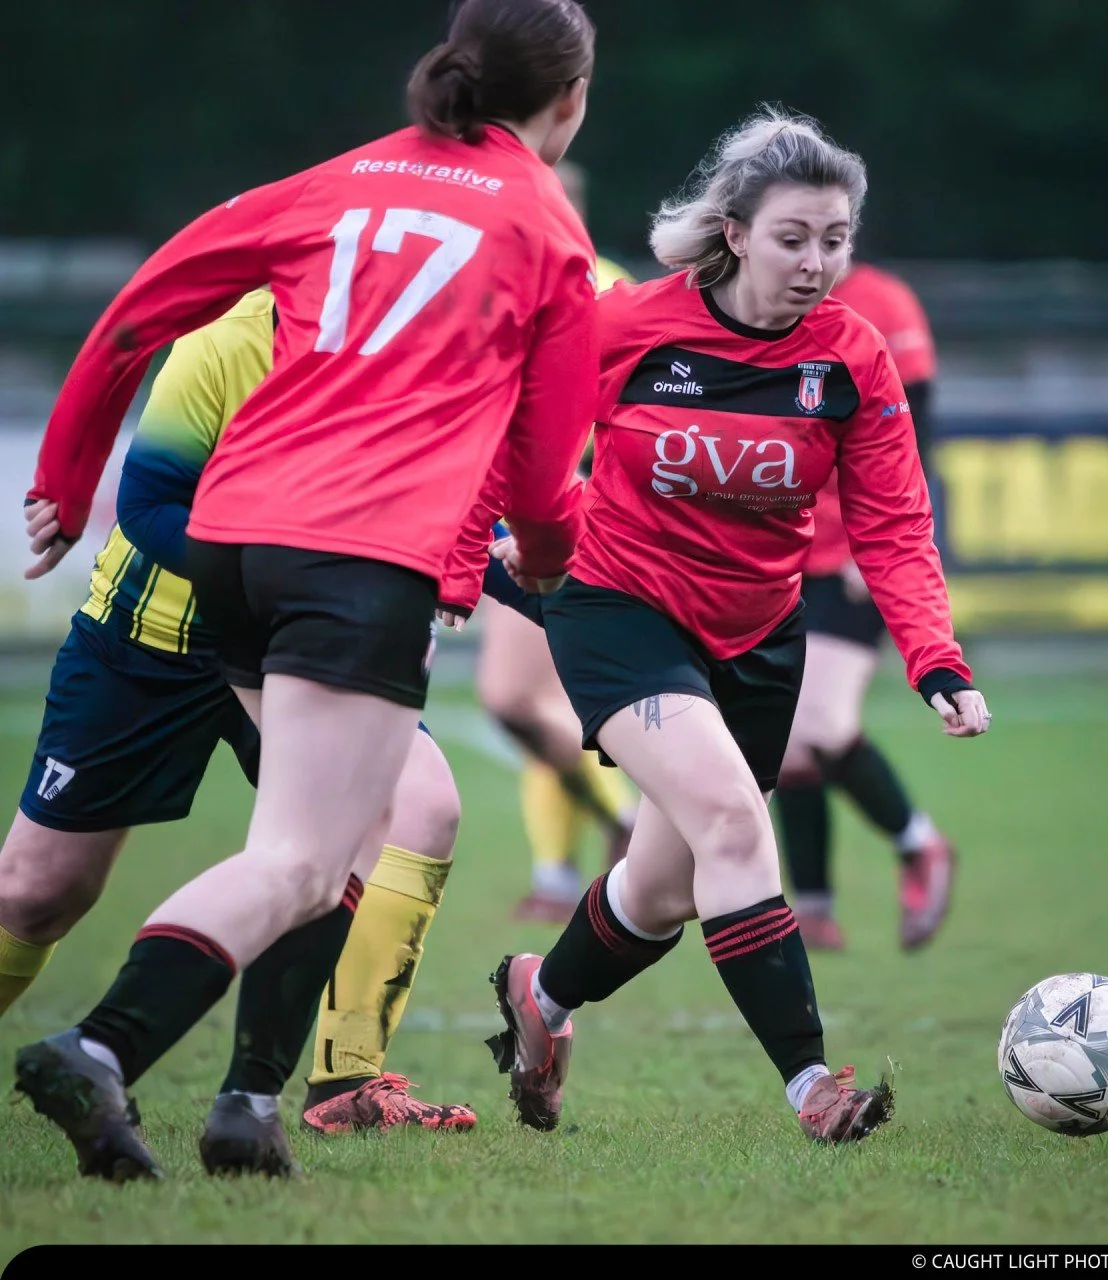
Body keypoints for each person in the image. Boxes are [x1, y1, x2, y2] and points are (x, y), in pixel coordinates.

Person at [14, 0, 599, 1182]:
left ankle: (247, 1106)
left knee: (354, 831)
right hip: (347, 565)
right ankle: (100, 1042)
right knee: (293, 857)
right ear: (570, 103)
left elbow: (138, 307)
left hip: (237, 548)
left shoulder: (336, 180)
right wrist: (545, 552)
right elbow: (540, 470)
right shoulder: (546, 225)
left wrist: (63, 479)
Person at [476, 108, 992, 1145]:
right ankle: (812, 1085)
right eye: (792, 238)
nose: (814, 262)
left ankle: (540, 998)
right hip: (616, 605)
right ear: (735, 232)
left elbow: (893, 524)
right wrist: (466, 556)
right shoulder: (628, 326)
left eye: (834, 239)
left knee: (663, 890)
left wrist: (933, 656)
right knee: (730, 821)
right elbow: (515, 446)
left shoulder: (850, 356)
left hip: (758, 636)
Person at [0, 289, 479, 1150]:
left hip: (301, 645)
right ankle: (120, 1056)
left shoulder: (418, 347)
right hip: (148, 642)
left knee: (418, 806)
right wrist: (302, 580)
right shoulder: (227, 341)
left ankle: (339, 1082)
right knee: (38, 892)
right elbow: (148, 509)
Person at [473, 157, 636, 925]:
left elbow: (633, 416)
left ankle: (627, 823)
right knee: (538, 705)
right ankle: (565, 866)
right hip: (503, 511)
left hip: (569, 519)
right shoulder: (494, 285)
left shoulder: (606, 289)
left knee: (516, 699)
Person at [776, 257, 956, 952]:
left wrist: (874, 543)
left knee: (820, 724)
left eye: (830, 229)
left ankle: (919, 842)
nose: (813, 249)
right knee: (787, 738)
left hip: (853, 555)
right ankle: (814, 907)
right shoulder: (746, 299)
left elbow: (920, 434)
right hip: (775, 552)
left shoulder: (882, 302)